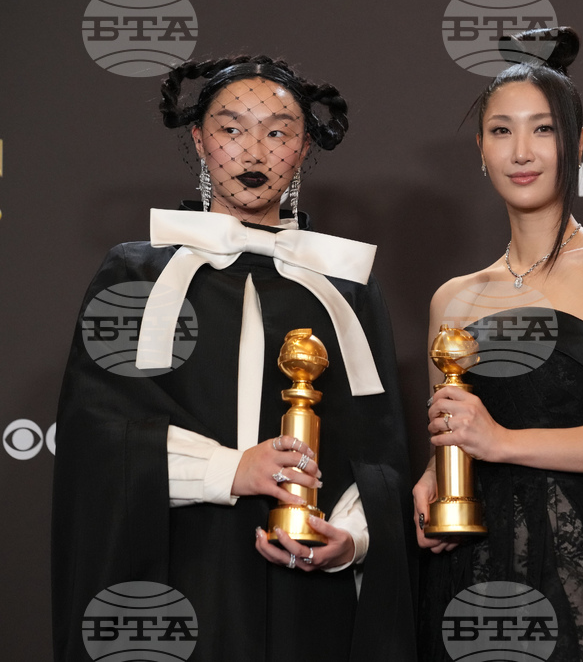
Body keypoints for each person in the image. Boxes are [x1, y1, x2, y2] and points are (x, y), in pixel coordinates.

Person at [52, 56, 417, 661]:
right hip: (178, 569)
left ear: (302, 150)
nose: (254, 152)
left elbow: (379, 448)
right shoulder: (136, 273)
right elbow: (97, 434)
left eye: (278, 132)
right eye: (231, 128)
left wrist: (349, 540)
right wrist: (231, 471)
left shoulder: (346, 284)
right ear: (199, 139)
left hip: (309, 587)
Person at [412, 28, 583, 661]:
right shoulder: (452, 298)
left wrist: (501, 442)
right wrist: (432, 476)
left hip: (577, 560)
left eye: (544, 129)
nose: (522, 151)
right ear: (480, 149)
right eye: (502, 130)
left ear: (578, 144)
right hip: (468, 568)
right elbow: (457, 438)